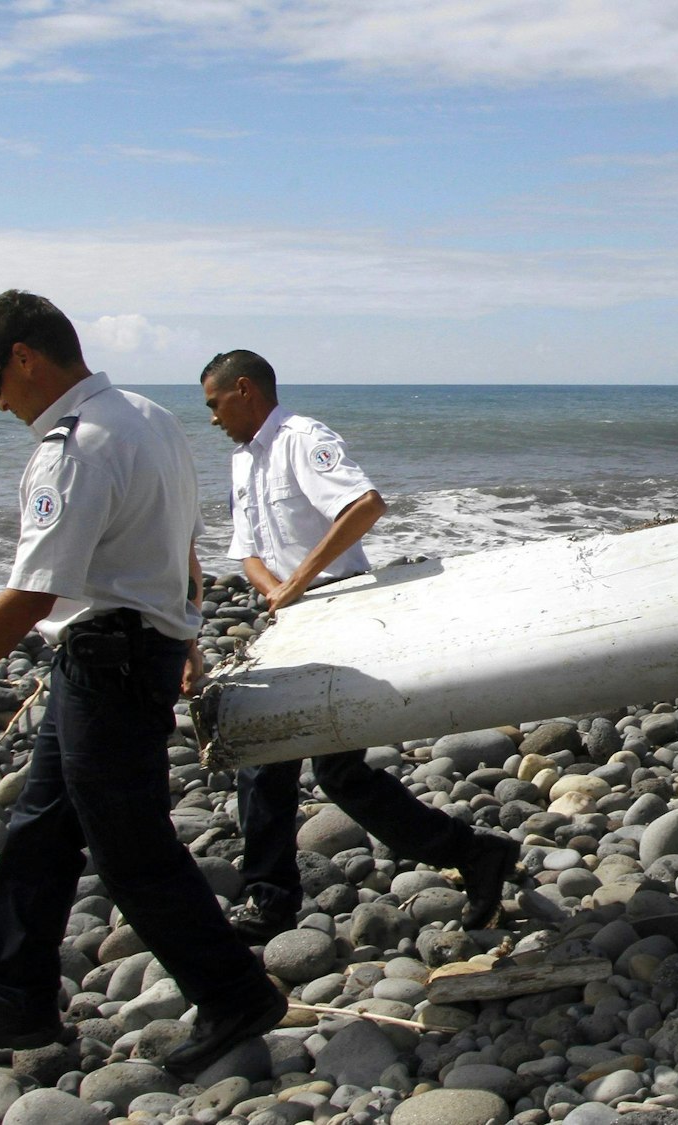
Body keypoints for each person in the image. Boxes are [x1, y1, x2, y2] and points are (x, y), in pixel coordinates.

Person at [0, 291, 285, 1076]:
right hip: (120, 651)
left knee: (130, 848)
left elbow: (30, 595)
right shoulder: (148, 417)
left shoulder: (77, 443)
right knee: (41, 828)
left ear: (25, 357)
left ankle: (235, 991)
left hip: (110, 660)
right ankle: (16, 996)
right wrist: (184, 629)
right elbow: (178, 539)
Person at [200, 349, 521, 939]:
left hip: (340, 606)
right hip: (289, 617)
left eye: (215, 404)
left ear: (243, 389)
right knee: (274, 759)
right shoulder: (242, 462)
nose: (212, 419)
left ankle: (469, 854)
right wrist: (277, 592)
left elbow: (363, 505)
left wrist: (298, 583)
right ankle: (272, 898)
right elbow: (246, 548)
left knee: (328, 767)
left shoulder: (302, 438)